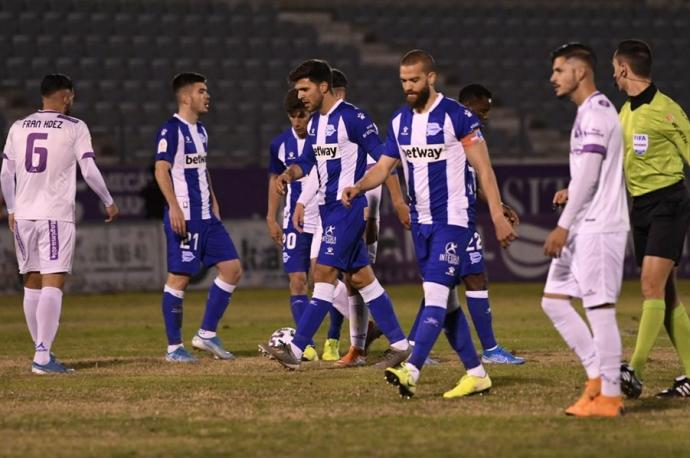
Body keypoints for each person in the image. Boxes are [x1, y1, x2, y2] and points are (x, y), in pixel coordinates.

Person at [342, 50, 516, 398]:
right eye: (404, 81)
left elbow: (484, 170)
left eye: (415, 80)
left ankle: (411, 368)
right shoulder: (399, 122)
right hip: (421, 226)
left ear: (431, 79)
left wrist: (497, 215)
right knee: (448, 306)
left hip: (453, 222)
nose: (408, 87)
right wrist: (360, 185)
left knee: (435, 294)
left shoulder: (458, 116)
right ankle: (477, 373)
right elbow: (383, 166)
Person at [259, 59, 410, 370]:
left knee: (323, 274)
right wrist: (289, 176)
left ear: (323, 87)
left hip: (347, 209)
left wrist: (384, 195)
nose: (300, 95)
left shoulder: (353, 118)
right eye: (297, 90)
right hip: (327, 211)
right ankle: (400, 344)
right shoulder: (315, 123)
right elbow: (307, 162)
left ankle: (296, 350)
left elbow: (385, 157)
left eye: (305, 88)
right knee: (361, 278)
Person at [0, 73, 119, 374]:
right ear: (66, 96)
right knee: (54, 279)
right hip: (54, 213)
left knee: (32, 281)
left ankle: (42, 351)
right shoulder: (75, 127)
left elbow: (4, 174)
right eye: (72, 96)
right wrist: (107, 199)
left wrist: (12, 208)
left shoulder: (18, 126)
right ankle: (42, 357)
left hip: (23, 214)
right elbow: (89, 170)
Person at [407, 84, 524, 365]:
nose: (485, 117)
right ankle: (421, 350)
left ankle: (417, 345)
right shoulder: (456, 135)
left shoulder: (466, 138)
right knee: (454, 281)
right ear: (468, 106)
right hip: (448, 221)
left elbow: (473, 182)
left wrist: (498, 206)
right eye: (482, 111)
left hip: (462, 219)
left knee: (454, 281)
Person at [542, 43, 629, 416]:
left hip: (600, 227)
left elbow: (593, 174)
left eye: (559, 70)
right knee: (554, 301)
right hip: (584, 225)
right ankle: (597, 375)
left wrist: (562, 226)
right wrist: (571, 190)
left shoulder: (596, 113)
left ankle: (609, 395)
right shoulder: (587, 113)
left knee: (599, 309)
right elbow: (588, 173)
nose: (553, 78)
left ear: (580, 72)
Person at [613, 39, 690, 398]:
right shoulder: (624, 112)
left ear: (624, 69)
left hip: (669, 203)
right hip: (641, 206)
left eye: (614, 68)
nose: (613, 74)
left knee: (649, 286)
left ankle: (635, 371)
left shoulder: (667, 110)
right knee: (667, 294)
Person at [154, 72, 242, 363]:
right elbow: (161, 169)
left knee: (232, 269)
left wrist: (214, 201)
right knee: (179, 279)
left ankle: (206, 334)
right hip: (186, 218)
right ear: (185, 97)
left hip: (207, 217)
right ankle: (173, 348)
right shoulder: (171, 130)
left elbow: (202, 170)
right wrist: (174, 207)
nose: (207, 95)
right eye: (201, 91)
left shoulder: (201, 132)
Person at [266, 88, 321, 362]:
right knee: (297, 281)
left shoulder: (321, 138)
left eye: (302, 115)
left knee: (323, 281)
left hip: (322, 217)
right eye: (293, 116)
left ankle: (336, 338)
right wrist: (270, 216)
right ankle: (306, 344)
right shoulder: (279, 144)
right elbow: (274, 179)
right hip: (293, 220)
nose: (298, 122)